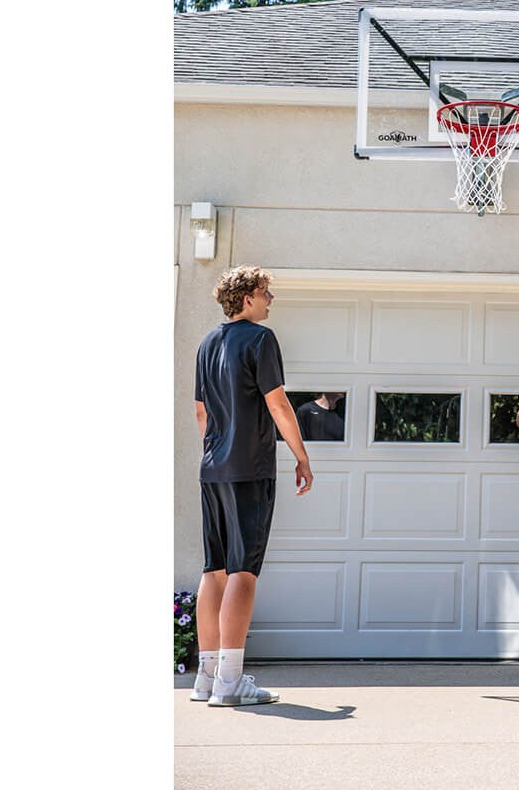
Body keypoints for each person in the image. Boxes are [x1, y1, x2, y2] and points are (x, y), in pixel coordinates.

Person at [191, 266, 313, 707]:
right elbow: (277, 403)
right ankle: (230, 682)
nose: (270, 300)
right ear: (247, 298)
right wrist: (301, 456)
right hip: (249, 469)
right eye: (265, 293)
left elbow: (202, 413)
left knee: (215, 569)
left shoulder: (208, 343)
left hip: (213, 468)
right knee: (243, 569)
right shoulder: (261, 339)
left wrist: (217, 452)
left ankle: (206, 678)